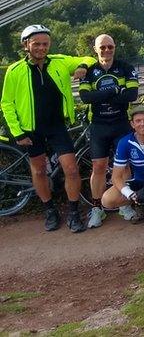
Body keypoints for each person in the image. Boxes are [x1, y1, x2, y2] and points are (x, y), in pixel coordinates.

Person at [1, 25, 95, 233]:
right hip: (31, 130)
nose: (41, 48)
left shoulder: (59, 62)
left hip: (57, 126)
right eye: (36, 44)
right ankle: (49, 210)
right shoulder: (15, 71)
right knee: (40, 170)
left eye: (45, 44)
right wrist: (18, 132)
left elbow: (90, 59)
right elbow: (7, 103)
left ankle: (72, 212)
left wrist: (82, 67)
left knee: (71, 169)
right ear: (26, 45)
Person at [78, 34, 139, 228]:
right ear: (95, 49)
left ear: (115, 47)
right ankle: (97, 208)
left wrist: (101, 96)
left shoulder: (125, 67)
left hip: (121, 122)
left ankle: (124, 203)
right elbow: (86, 98)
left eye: (110, 47)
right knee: (98, 167)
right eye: (102, 47)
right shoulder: (89, 71)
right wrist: (114, 91)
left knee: (125, 167)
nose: (106, 50)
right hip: (99, 124)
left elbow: (132, 95)